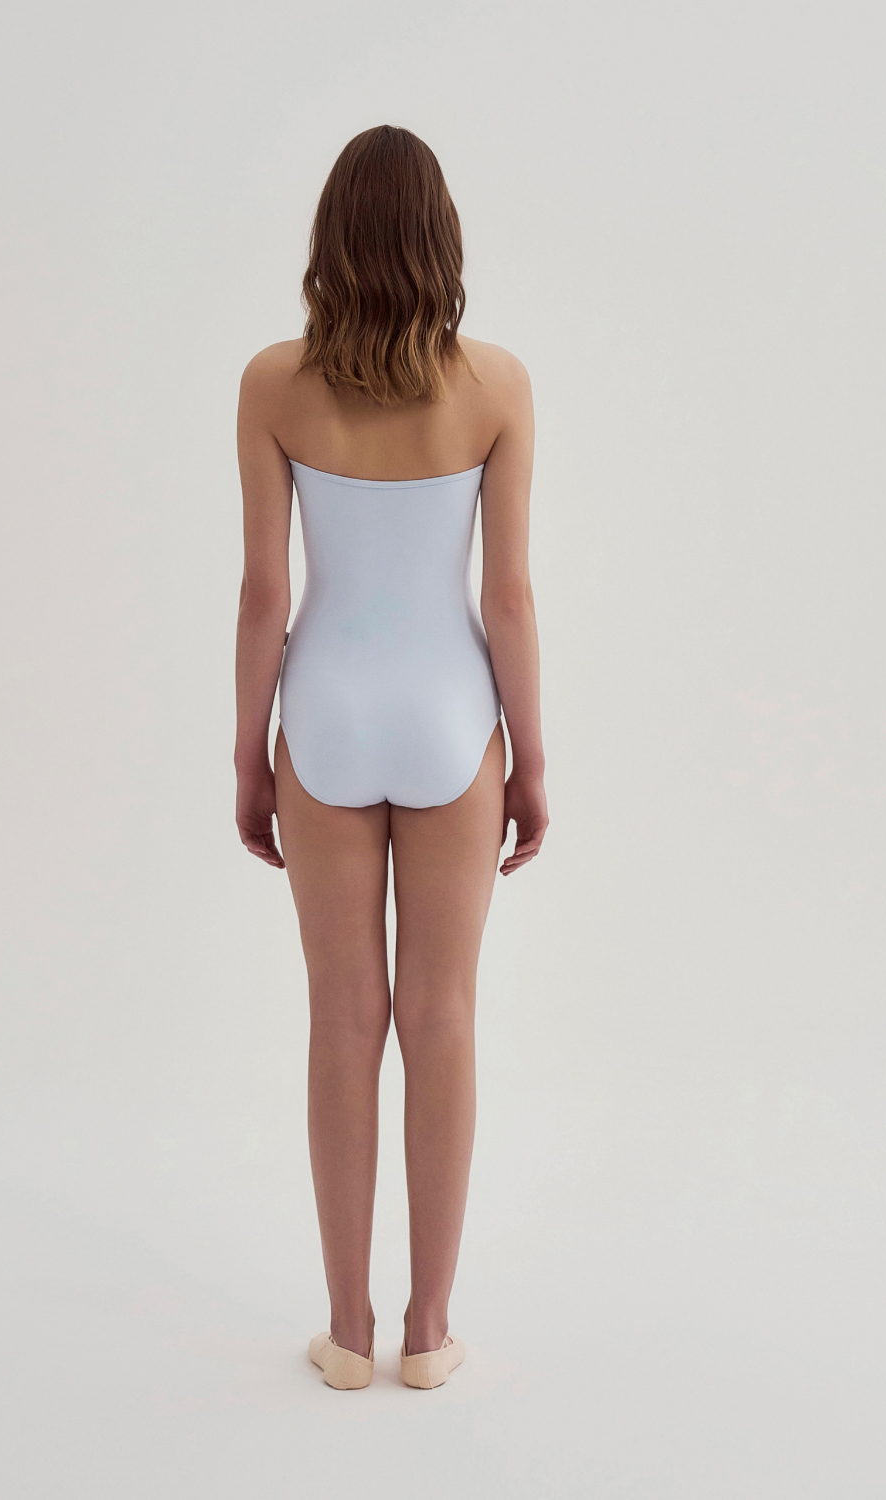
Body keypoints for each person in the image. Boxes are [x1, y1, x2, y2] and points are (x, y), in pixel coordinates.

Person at [234, 125, 547, 1391]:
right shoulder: (495, 386)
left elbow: (265, 595)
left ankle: (346, 1332)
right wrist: (530, 760)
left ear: (332, 242)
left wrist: (248, 756)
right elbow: (507, 597)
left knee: (341, 1018)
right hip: (450, 717)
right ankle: (429, 1331)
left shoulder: (272, 384)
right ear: (440, 242)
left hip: (323, 713)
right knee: (442, 1014)